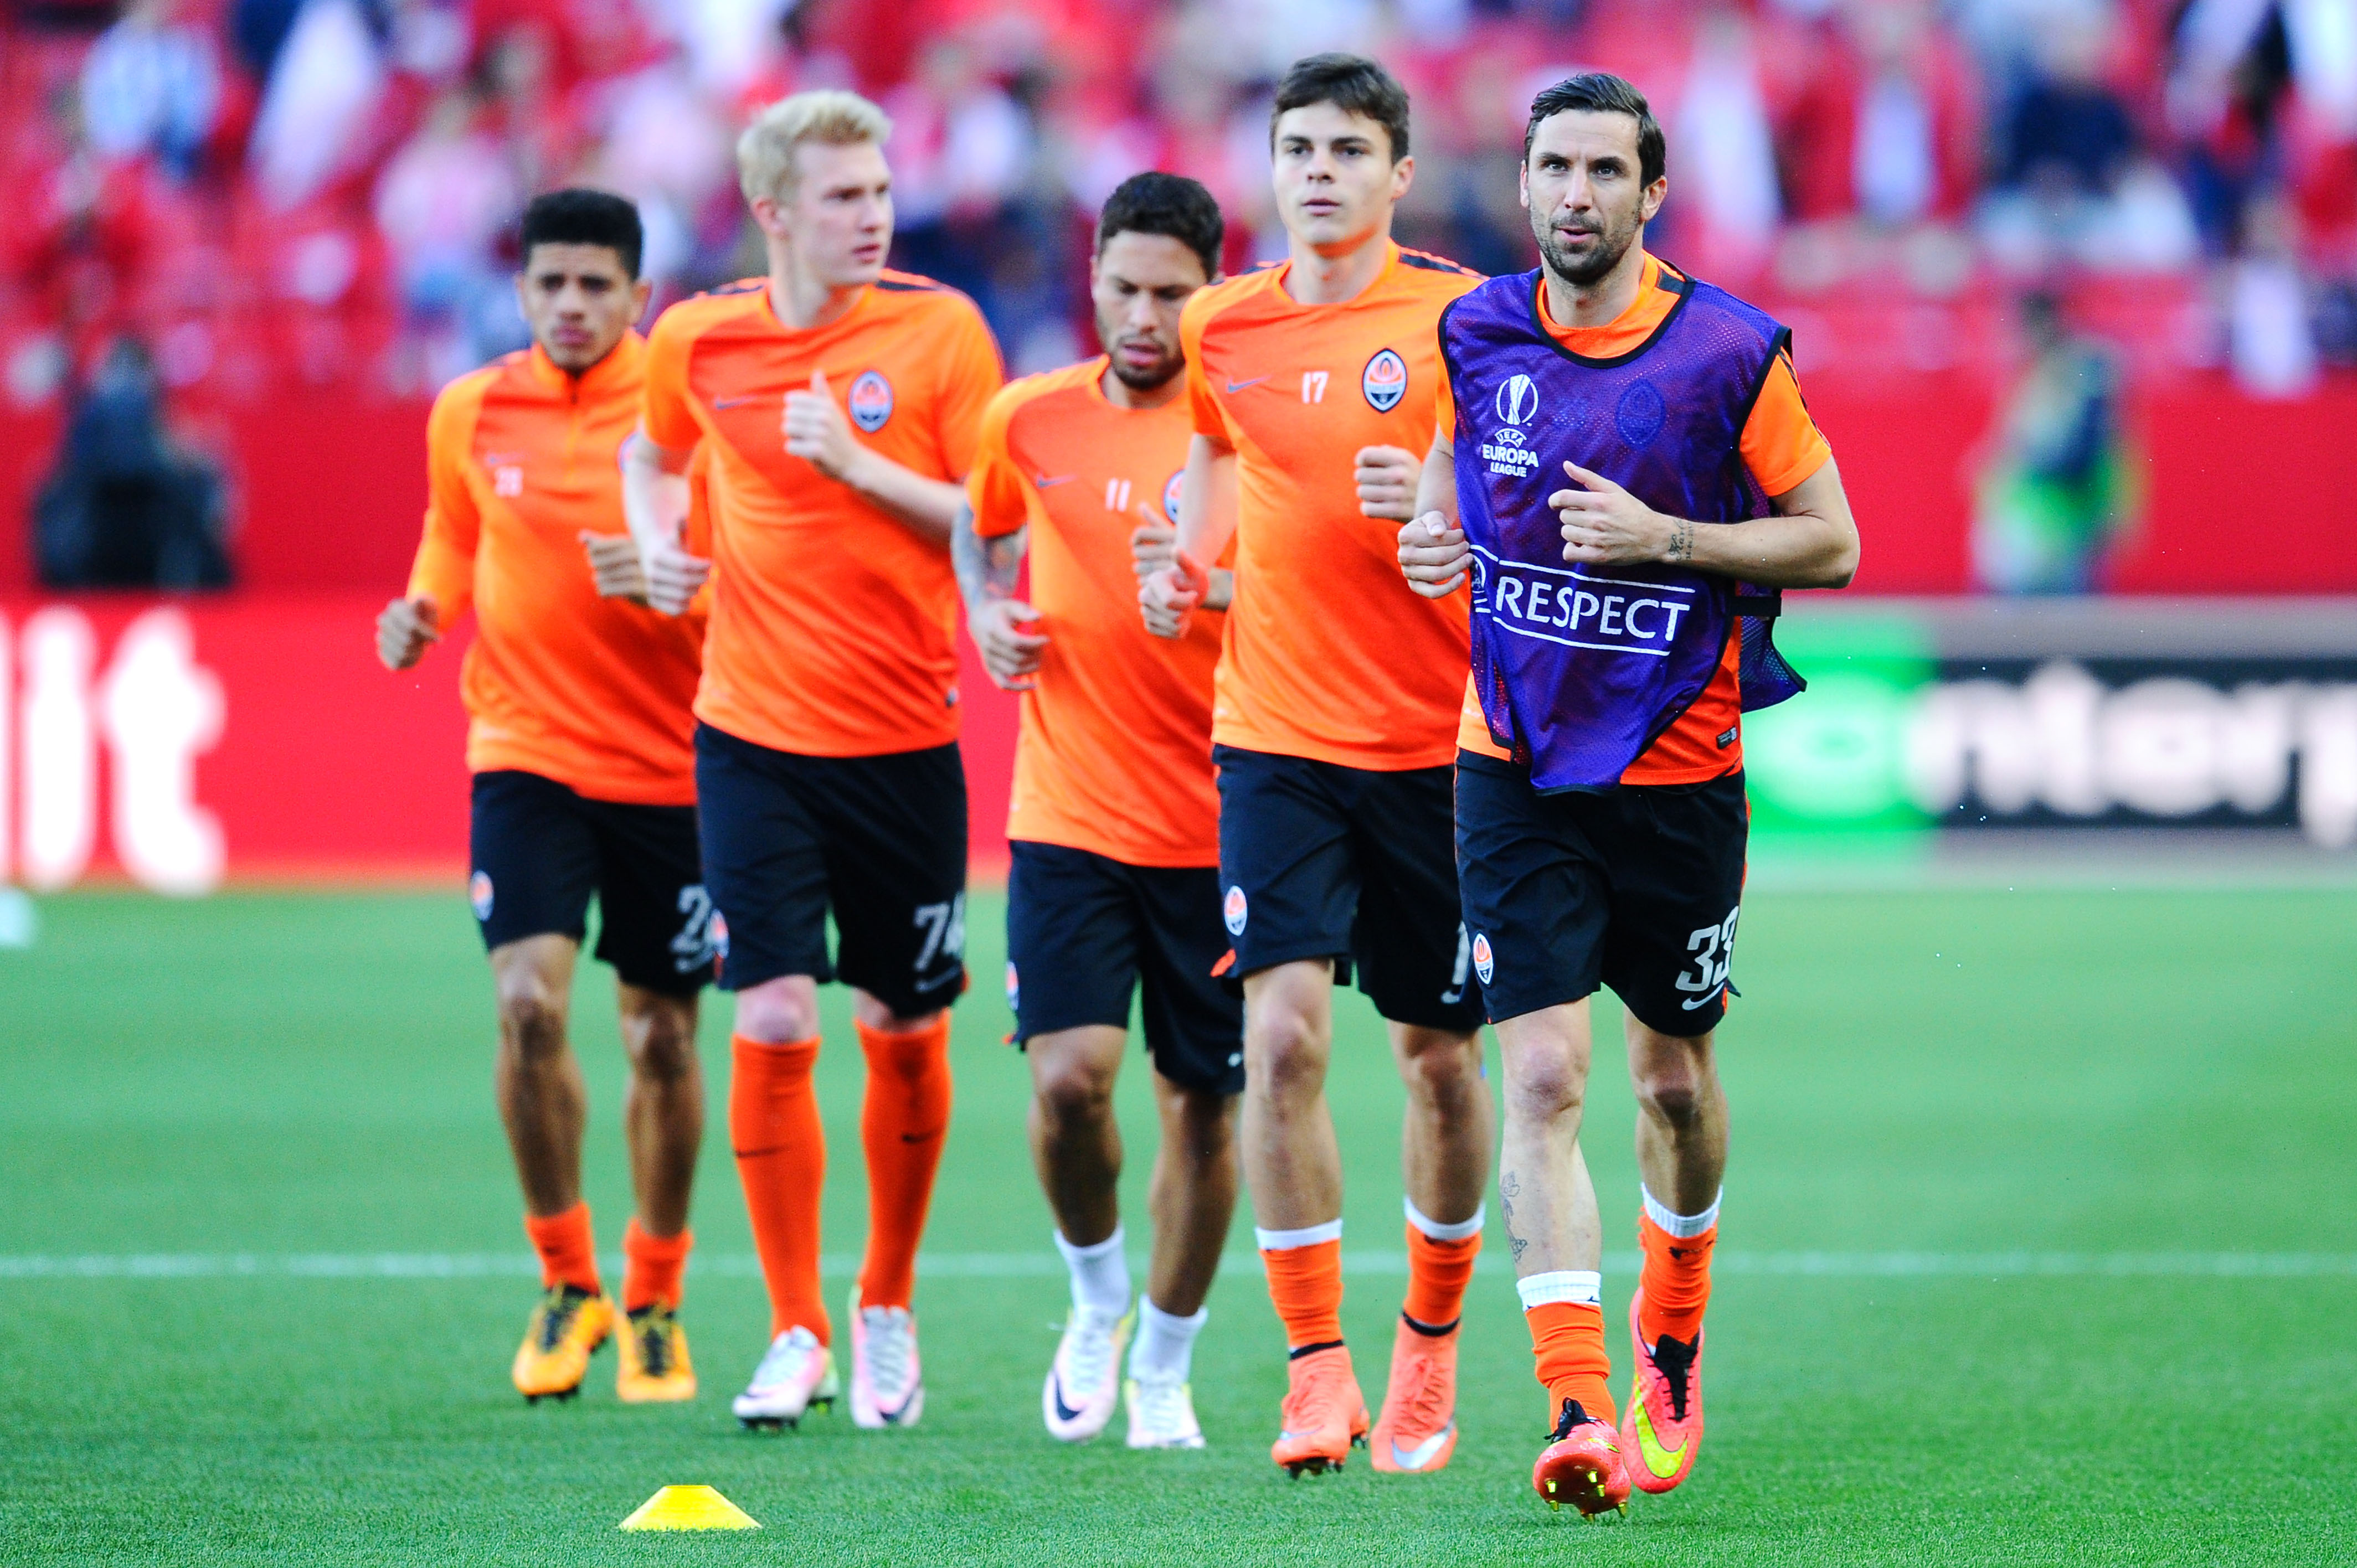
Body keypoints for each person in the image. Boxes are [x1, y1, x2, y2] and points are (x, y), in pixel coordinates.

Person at [1397, 73, 1860, 1513]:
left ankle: (1674, 1318)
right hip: (1513, 762)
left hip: (1676, 771)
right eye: (1554, 168)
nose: (1576, 193)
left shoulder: (1726, 351)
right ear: (1523, 186)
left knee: (1670, 1077)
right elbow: (1455, 458)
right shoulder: (1476, 326)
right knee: (1538, 1073)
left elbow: (1832, 544)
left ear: (1652, 193)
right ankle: (1582, 1404)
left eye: (1606, 169)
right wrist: (1430, 526)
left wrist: (1669, 536)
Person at [621, 89, 1003, 1434]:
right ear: (775, 211)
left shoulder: (939, 330)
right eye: (844, 196)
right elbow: (648, 449)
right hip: (751, 740)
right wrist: (661, 541)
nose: (875, 213)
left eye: (883, 189)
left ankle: (884, 1298)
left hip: (904, 738)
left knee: (902, 1026)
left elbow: (991, 517)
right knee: (773, 1013)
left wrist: (854, 463)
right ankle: (795, 1326)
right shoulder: (697, 339)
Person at [1136, 54, 1491, 1479]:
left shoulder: (1467, 317)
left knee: (1439, 1064)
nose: (1320, 170)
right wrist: (1190, 557)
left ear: (1398, 174)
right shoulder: (1223, 324)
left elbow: (1512, 497)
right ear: (1270, 168)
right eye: (1298, 147)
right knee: (1277, 1038)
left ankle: (1425, 1350)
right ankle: (1313, 1369)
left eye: (1350, 148)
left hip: (1437, 747)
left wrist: (1449, 513)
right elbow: (1216, 459)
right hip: (1273, 734)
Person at [375, 189, 713, 1406]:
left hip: (673, 767)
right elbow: (452, 535)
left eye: (595, 286)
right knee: (526, 1006)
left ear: (639, 297)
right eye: (550, 285)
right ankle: (568, 1279)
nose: (571, 306)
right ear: (521, 291)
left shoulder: (681, 421)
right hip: (523, 752)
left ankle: (657, 1294)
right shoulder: (471, 409)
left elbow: (744, 586)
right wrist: (424, 609)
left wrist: (672, 587)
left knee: (662, 1035)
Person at [955, 172, 1236, 1451]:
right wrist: (986, 614)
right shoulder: (1029, 417)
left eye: (1168, 294)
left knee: (1201, 1106)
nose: (1140, 314)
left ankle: (1166, 1367)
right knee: (1071, 1083)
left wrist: (1210, 597)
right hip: (1066, 809)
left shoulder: (1244, 434)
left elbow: (1316, 595)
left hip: (1231, 820)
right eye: (1120, 287)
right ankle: (1095, 1297)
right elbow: (979, 530)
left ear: (1210, 296)